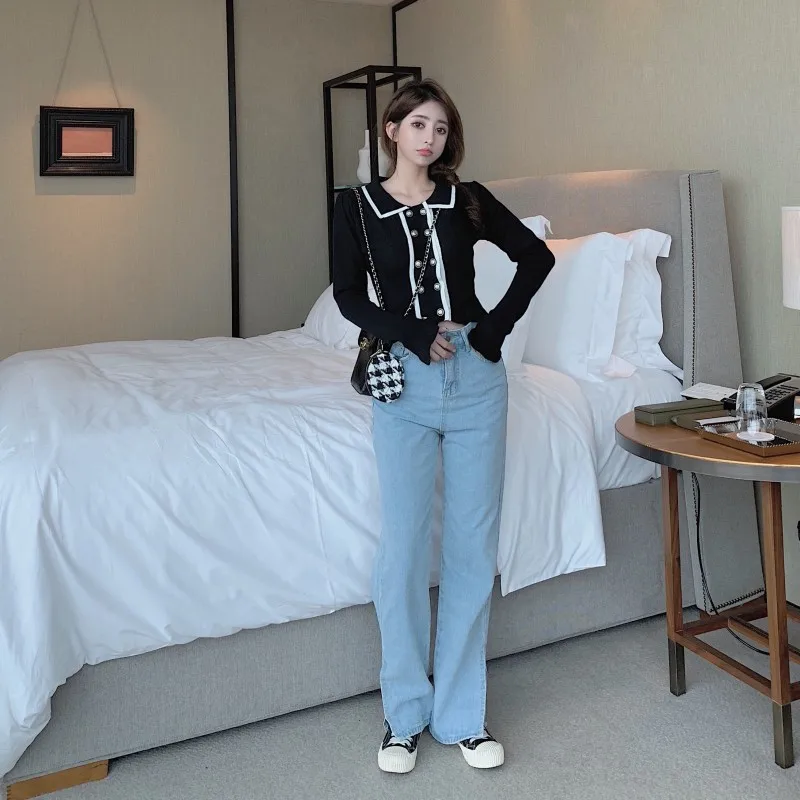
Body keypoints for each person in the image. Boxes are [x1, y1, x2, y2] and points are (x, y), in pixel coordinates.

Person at [332, 78, 555, 773]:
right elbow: (348, 295)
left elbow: (537, 257)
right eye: (417, 124)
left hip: (478, 382)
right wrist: (411, 331)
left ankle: (462, 716)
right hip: (404, 382)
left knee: (469, 549)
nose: (429, 138)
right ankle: (404, 717)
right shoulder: (356, 206)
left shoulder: (469, 199)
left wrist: (491, 331)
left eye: (440, 128)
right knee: (401, 550)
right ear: (392, 130)